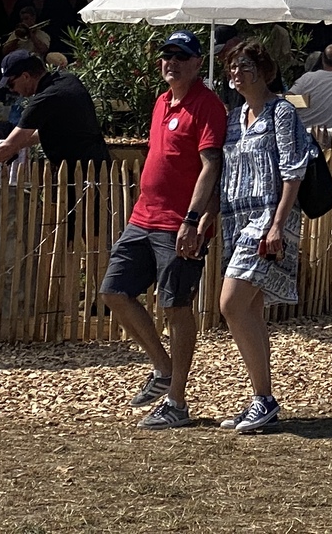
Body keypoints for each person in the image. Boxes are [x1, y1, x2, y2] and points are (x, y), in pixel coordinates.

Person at [103, 32, 227, 431]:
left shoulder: (207, 105)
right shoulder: (161, 102)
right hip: (143, 218)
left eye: (181, 56)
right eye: (166, 56)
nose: (171, 62)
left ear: (197, 63)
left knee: (176, 306)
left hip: (178, 224)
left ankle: (177, 400)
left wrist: (193, 219)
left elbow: (211, 165)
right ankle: (163, 368)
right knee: (113, 291)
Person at [215, 36, 310, 435]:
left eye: (244, 66)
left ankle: (265, 400)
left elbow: (293, 170)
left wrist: (277, 225)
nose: (237, 73)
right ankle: (262, 399)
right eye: (232, 67)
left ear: (263, 70)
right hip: (236, 219)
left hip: (267, 218)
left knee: (231, 304)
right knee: (249, 310)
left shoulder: (281, 112)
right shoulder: (234, 117)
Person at [0, 50, 109, 171]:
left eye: (11, 84)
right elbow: (56, 129)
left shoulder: (44, 99)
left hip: (80, 173)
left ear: (25, 76)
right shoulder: (68, 80)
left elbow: (8, 148)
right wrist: (16, 143)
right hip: (99, 164)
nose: (12, 90)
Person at [290, 44, 332, 132]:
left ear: (322, 59)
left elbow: (287, 99)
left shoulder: (307, 78)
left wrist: (308, 102)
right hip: (330, 134)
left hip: (303, 132)